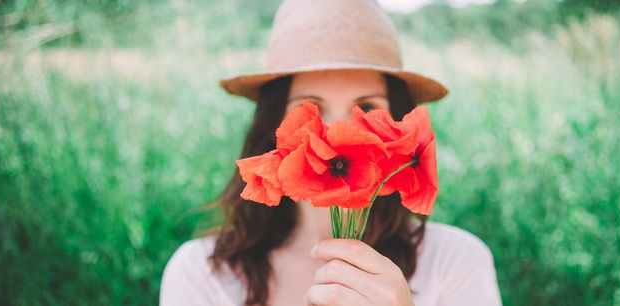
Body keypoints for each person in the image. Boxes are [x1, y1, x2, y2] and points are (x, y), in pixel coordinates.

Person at [160, 0, 502, 305]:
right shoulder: (201, 273)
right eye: (310, 108)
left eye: (366, 107)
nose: (338, 132)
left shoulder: (456, 262)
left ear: (400, 125)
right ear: (273, 125)